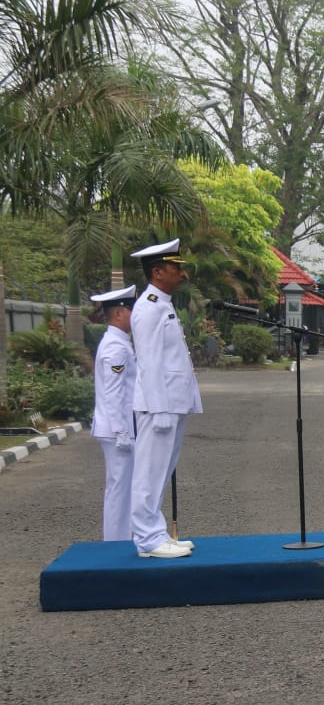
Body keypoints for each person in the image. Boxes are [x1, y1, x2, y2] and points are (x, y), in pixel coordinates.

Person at [127, 238, 201, 559]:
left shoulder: (163, 304)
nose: (182, 275)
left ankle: (155, 533)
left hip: (172, 402)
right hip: (159, 405)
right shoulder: (147, 307)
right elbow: (149, 361)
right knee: (149, 471)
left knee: (161, 470)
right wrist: (158, 409)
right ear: (157, 272)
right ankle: (146, 538)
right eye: (176, 268)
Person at [90, 286, 138, 542]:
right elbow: (113, 392)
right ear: (119, 313)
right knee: (119, 488)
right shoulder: (115, 347)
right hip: (116, 429)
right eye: (131, 310)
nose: (135, 314)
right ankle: (115, 543)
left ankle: (123, 538)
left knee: (124, 487)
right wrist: (121, 431)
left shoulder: (119, 342)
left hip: (119, 427)